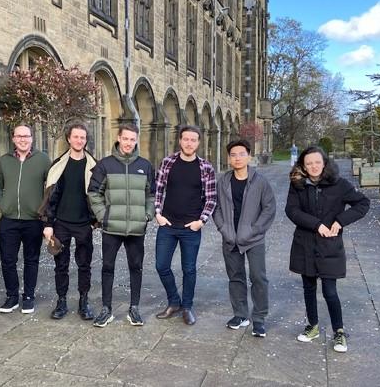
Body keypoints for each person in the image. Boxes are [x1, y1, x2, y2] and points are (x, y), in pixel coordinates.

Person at [285, 146, 369, 353]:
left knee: (330, 291)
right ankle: (312, 325)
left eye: (317, 162)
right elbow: (292, 210)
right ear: (303, 166)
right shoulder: (297, 184)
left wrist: (340, 221)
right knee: (309, 288)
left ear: (324, 163)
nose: (313, 166)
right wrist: (316, 224)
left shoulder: (340, 185)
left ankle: (338, 331)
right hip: (304, 243)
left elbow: (362, 203)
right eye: (308, 163)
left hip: (329, 245)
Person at [88, 123, 155, 327]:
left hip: (136, 228)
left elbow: (151, 195)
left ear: (136, 140)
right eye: (125, 138)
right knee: (108, 267)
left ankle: (134, 308)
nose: (128, 143)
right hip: (111, 227)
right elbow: (93, 193)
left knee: (136, 267)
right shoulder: (105, 165)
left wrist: (147, 215)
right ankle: (106, 309)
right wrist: (103, 216)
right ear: (118, 138)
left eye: (132, 139)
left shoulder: (145, 165)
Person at [154, 125, 216, 326]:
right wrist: (157, 214)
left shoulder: (205, 167)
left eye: (193, 140)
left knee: (189, 269)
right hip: (168, 225)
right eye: (186, 139)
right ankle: (174, 301)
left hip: (191, 227)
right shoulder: (168, 162)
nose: (189, 143)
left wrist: (201, 221)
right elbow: (158, 189)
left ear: (198, 143)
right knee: (161, 265)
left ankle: (187, 306)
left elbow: (211, 198)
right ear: (180, 140)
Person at [213, 139, 276, 338]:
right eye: (233, 155)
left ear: (248, 156)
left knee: (258, 277)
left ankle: (259, 318)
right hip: (230, 238)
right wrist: (223, 228)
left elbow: (269, 208)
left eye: (241, 154)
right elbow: (216, 207)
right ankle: (240, 315)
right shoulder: (223, 181)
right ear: (229, 158)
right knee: (235, 277)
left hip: (253, 238)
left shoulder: (260, 181)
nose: (237, 158)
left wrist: (256, 229)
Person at [40, 122, 98, 320]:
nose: (79, 140)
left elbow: (100, 195)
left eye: (82, 137)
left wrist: (95, 222)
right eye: (76, 137)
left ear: (85, 140)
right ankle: (61, 302)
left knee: (84, 265)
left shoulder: (94, 166)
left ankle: (84, 301)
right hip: (61, 223)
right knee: (61, 265)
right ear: (68, 139)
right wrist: (48, 224)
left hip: (84, 224)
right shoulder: (58, 165)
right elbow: (49, 197)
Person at [0, 124, 50, 314]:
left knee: (31, 260)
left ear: (32, 138)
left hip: (33, 219)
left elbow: (51, 189)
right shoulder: (5, 160)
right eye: (19, 136)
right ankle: (11, 296)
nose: (23, 139)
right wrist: (3, 204)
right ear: (14, 139)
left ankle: (29, 296)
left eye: (26, 136)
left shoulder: (43, 160)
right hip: (9, 219)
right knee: (7, 259)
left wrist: (43, 211)